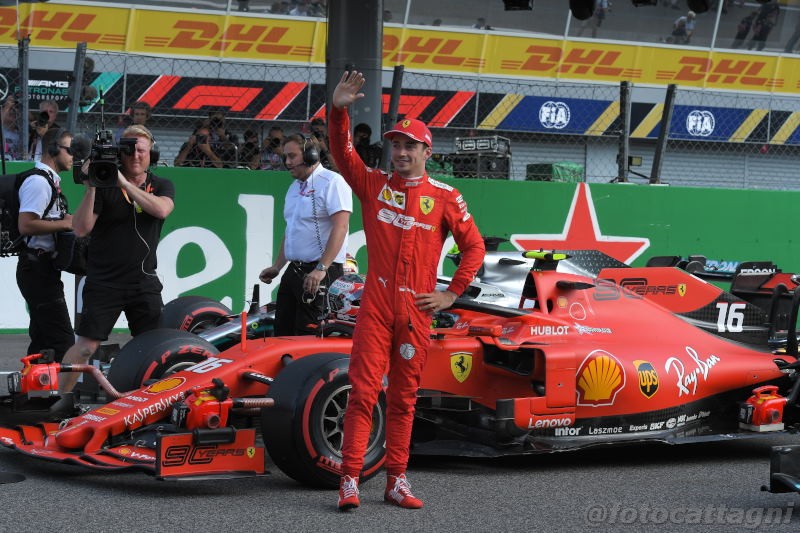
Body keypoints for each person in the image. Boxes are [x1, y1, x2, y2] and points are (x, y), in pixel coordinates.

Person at [328, 71, 485, 511]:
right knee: (362, 393)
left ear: (426, 152)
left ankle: (396, 480)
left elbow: (474, 247)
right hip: (377, 307)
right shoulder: (373, 185)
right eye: (395, 144)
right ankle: (349, 480)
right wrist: (338, 111)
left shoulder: (447, 196)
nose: (400, 152)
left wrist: (451, 294)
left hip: (417, 310)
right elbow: (342, 152)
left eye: (409, 146)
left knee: (403, 398)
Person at [53, 124, 174, 411]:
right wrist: (92, 187)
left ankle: (153, 406)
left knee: (155, 348)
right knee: (85, 346)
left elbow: (161, 210)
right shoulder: (104, 183)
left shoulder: (161, 185)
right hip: (104, 281)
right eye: (128, 150)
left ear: (152, 153)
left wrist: (123, 183)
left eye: (141, 150)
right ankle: (58, 401)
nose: (135, 156)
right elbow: (80, 229)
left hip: (143, 281)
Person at [258, 133, 352, 336]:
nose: (287, 162)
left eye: (292, 156)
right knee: (282, 333)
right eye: (285, 157)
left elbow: (341, 227)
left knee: (308, 335)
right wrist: (277, 266)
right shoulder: (294, 187)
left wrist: (321, 268)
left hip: (320, 272)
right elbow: (291, 230)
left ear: (311, 155)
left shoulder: (333, 182)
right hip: (294, 271)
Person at [16, 127, 75, 361]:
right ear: (53, 149)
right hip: (36, 268)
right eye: (70, 150)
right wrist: (65, 224)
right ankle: (47, 385)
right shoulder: (39, 182)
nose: (74, 156)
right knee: (62, 341)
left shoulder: (49, 181)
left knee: (42, 340)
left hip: (41, 268)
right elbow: (26, 225)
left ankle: (32, 384)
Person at [2, 95, 22, 160]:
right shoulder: (2, 130)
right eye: (10, 109)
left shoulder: (21, 133)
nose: (12, 111)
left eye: (14, 109)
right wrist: (7, 106)